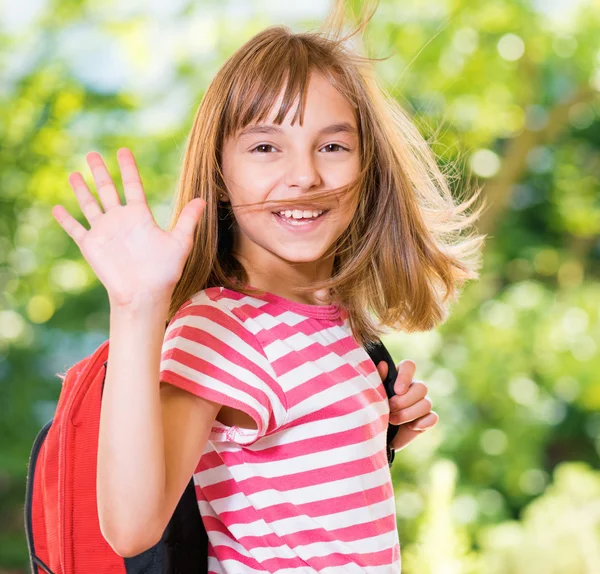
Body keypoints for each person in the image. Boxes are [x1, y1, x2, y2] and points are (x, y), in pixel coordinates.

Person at [51, 0, 485, 571]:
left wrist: (373, 431)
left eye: (333, 146)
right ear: (221, 174)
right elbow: (132, 527)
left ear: (368, 166)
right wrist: (137, 307)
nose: (304, 175)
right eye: (264, 147)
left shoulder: (330, 318)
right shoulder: (223, 327)